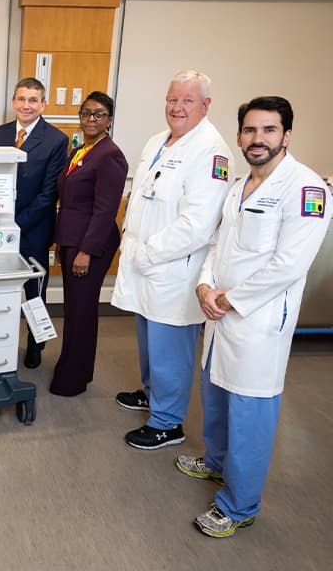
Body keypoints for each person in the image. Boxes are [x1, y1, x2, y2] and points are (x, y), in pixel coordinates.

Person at [175, 96, 331, 538]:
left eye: (268, 130)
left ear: (286, 136)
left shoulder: (305, 189)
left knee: (249, 412)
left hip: (257, 322)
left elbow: (289, 265)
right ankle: (216, 462)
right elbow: (215, 245)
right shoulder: (238, 185)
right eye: (249, 130)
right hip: (219, 311)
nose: (256, 139)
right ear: (240, 134)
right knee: (216, 393)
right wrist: (204, 286)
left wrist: (229, 299)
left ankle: (240, 504)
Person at [111, 70, 233, 449]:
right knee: (149, 339)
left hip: (173, 269)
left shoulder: (213, 152)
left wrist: (149, 253)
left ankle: (167, 422)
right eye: (172, 99)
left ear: (206, 105)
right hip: (145, 264)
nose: (176, 107)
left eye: (187, 100)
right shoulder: (157, 141)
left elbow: (197, 225)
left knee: (171, 347)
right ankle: (153, 394)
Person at [50, 92, 127, 397]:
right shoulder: (81, 151)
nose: (91, 119)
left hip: (91, 244)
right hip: (73, 239)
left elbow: (105, 209)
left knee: (81, 312)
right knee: (74, 310)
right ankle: (73, 368)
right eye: (86, 113)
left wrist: (85, 251)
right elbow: (69, 202)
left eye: (99, 114)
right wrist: (61, 243)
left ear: (109, 120)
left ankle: (73, 379)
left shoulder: (110, 155)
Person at [0, 77, 69, 369]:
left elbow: (49, 195)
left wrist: (16, 224)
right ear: (13, 102)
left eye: (33, 100)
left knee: (35, 291)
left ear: (43, 104)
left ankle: (36, 345)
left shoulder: (56, 140)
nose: (26, 105)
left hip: (33, 229)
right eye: (21, 99)